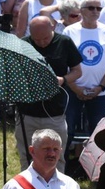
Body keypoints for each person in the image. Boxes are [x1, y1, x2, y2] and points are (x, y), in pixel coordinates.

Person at [19, 16, 82, 172]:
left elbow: (77, 71)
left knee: (56, 156)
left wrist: (63, 80)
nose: (41, 43)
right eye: (37, 39)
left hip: (55, 113)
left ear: (53, 27)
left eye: (45, 38)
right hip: (27, 113)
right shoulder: (23, 44)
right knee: (27, 155)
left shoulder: (64, 42)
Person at [62, 0, 105, 139]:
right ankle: (65, 161)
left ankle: (95, 162)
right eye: (91, 8)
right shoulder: (69, 31)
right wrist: (75, 88)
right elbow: (64, 63)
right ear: (81, 10)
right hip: (73, 91)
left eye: (99, 8)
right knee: (67, 131)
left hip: (99, 92)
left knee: (97, 135)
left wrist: (101, 87)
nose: (95, 11)